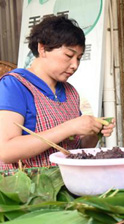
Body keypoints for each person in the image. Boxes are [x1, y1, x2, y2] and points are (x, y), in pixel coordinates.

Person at [0, 15, 115, 170]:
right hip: (28, 189)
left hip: (67, 184)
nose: (75, 65)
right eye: (69, 55)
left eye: (79, 58)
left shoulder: (71, 92)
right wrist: (69, 127)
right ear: (43, 48)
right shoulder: (14, 85)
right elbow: (6, 150)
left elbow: (76, 148)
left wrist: (93, 132)